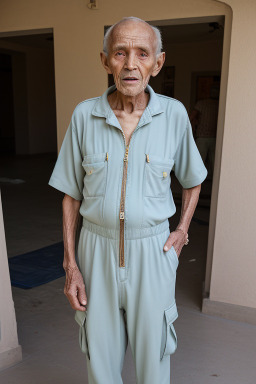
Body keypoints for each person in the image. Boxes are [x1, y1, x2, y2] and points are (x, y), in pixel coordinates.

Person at [48, 16, 208, 384]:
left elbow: (193, 180)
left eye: (142, 53)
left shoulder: (174, 115)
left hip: (153, 251)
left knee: (154, 363)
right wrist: (72, 265)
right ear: (106, 61)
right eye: (120, 53)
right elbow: (71, 195)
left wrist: (181, 230)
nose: (131, 64)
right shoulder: (85, 115)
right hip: (95, 252)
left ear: (158, 62)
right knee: (100, 363)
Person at [190, 83, 220, 179]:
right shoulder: (220, 104)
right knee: (214, 162)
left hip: (202, 136)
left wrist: (194, 126)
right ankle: (212, 181)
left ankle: (197, 181)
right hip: (215, 137)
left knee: (198, 161)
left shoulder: (201, 103)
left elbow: (191, 117)